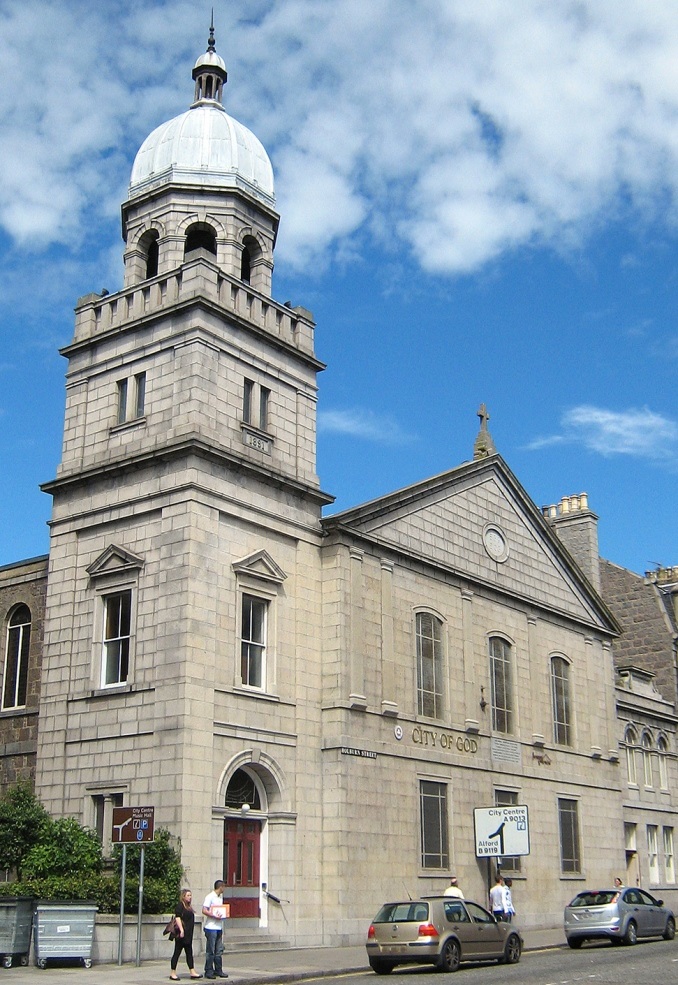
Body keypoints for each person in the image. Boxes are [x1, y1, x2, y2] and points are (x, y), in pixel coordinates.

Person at [170, 888, 202, 981]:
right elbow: (178, 918)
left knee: (189, 953)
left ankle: (192, 971)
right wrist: (181, 930)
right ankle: (173, 973)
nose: (190, 897)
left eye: (190, 895)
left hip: (188, 934)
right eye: (188, 895)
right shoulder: (180, 906)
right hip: (181, 934)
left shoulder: (189, 906)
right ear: (183, 896)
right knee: (177, 952)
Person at [202, 880, 229, 980]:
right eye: (224, 887)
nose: (224, 889)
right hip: (211, 927)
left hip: (218, 927)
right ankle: (208, 970)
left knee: (219, 950)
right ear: (220, 887)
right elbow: (204, 910)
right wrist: (214, 915)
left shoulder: (219, 898)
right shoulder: (210, 897)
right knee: (210, 950)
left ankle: (218, 970)